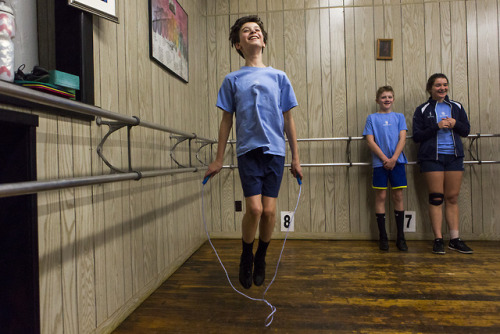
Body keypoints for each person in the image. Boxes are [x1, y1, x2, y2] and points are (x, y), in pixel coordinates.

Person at [204, 15, 303, 289]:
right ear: (238, 44)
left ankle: (261, 256)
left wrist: (295, 157)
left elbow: (288, 120)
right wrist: (218, 159)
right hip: (248, 151)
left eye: (257, 30)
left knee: (270, 212)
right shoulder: (232, 80)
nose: (253, 33)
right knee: (255, 209)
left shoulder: (279, 77)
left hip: (275, 152)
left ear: (263, 39)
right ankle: (246, 254)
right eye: (246, 31)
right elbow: (226, 121)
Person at [412, 73, 472, 254]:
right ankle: (438, 239)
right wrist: (436, 126)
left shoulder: (457, 106)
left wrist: (455, 123)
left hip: (454, 157)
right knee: (436, 197)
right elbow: (417, 136)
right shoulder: (422, 109)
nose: (442, 88)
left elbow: (466, 131)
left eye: (445, 85)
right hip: (432, 158)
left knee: (452, 197)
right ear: (430, 88)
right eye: (438, 85)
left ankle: (455, 239)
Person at [363, 86, 408, 251]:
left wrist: (394, 158)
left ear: (393, 99)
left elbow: (402, 138)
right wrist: (384, 159)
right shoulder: (372, 118)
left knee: (398, 196)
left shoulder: (399, 117)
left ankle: (401, 238)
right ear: (377, 100)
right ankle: (383, 237)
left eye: (390, 96)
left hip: (397, 162)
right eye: (383, 97)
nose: (387, 99)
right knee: (380, 197)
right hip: (380, 164)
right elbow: (370, 141)